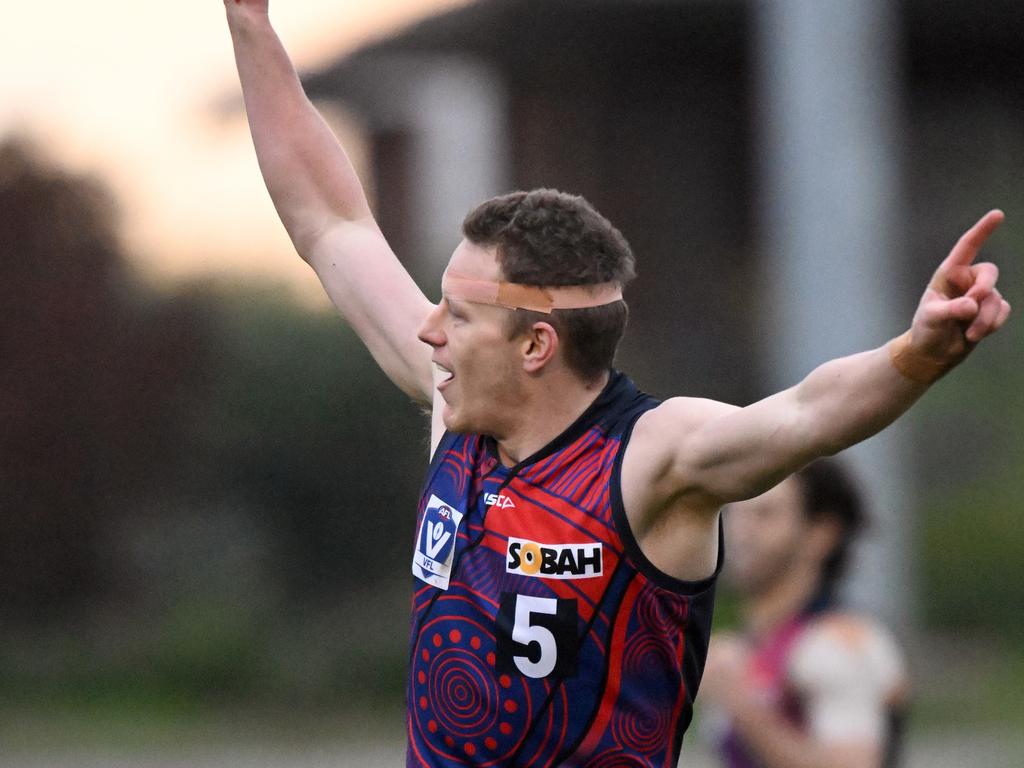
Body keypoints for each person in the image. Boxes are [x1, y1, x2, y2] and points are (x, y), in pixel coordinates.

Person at [222, 2, 1011, 765]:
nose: (429, 331)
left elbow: (807, 413)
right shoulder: (456, 415)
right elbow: (331, 222)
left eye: (458, 316)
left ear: (535, 343)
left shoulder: (647, 460)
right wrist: (250, 23)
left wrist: (920, 350)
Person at [700, 460, 909, 768]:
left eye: (765, 515)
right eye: (735, 514)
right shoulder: (743, 648)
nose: (741, 532)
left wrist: (742, 703)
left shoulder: (841, 643)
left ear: (821, 535)